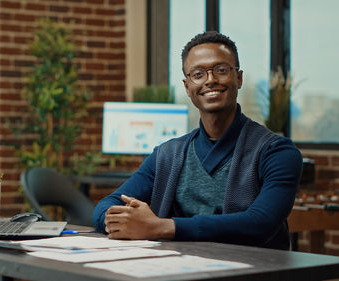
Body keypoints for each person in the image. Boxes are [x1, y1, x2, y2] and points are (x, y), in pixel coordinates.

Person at [93, 31, 302, 250]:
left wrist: (160, 227)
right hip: (177, 268)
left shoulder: (276, 152)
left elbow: (260, 223)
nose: (210, 80)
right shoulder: (166, 155)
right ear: (187, 86)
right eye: (198, 74)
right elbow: (106, 206)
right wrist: (124, 223)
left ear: (239, 79)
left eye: (221, 70)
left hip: (253, 271)